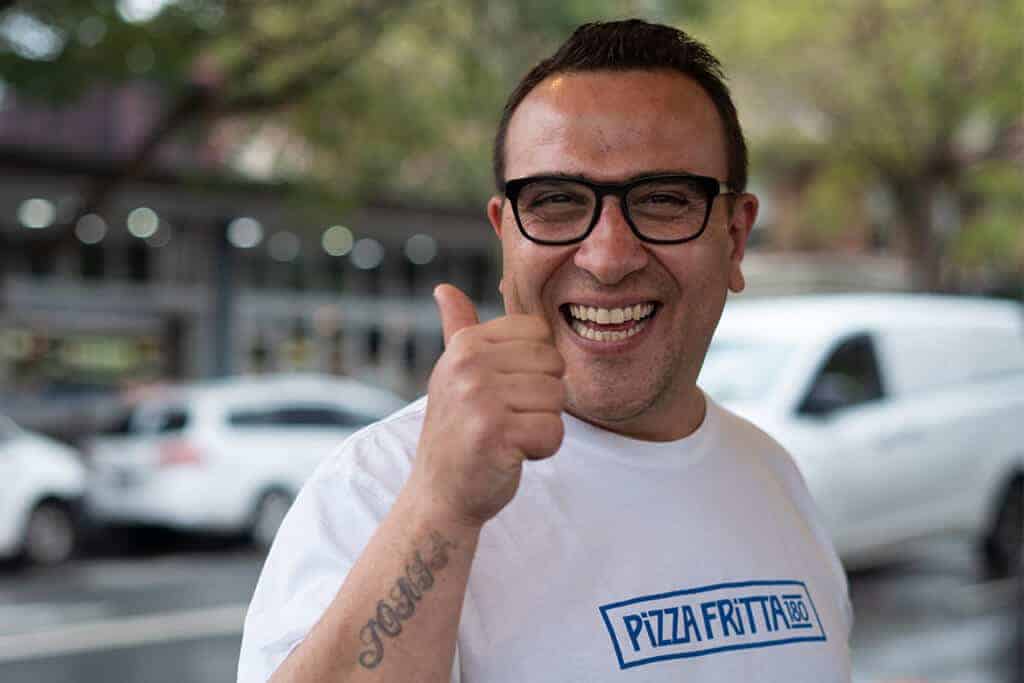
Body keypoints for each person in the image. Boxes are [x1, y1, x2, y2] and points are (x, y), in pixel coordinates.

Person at [238, 18, 853, 682]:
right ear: (506, 237)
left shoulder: (774, 474)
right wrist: (442, 507)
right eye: (558, 200)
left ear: (734, 239)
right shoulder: (377, 486)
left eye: (665, 200)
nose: (610, 256)